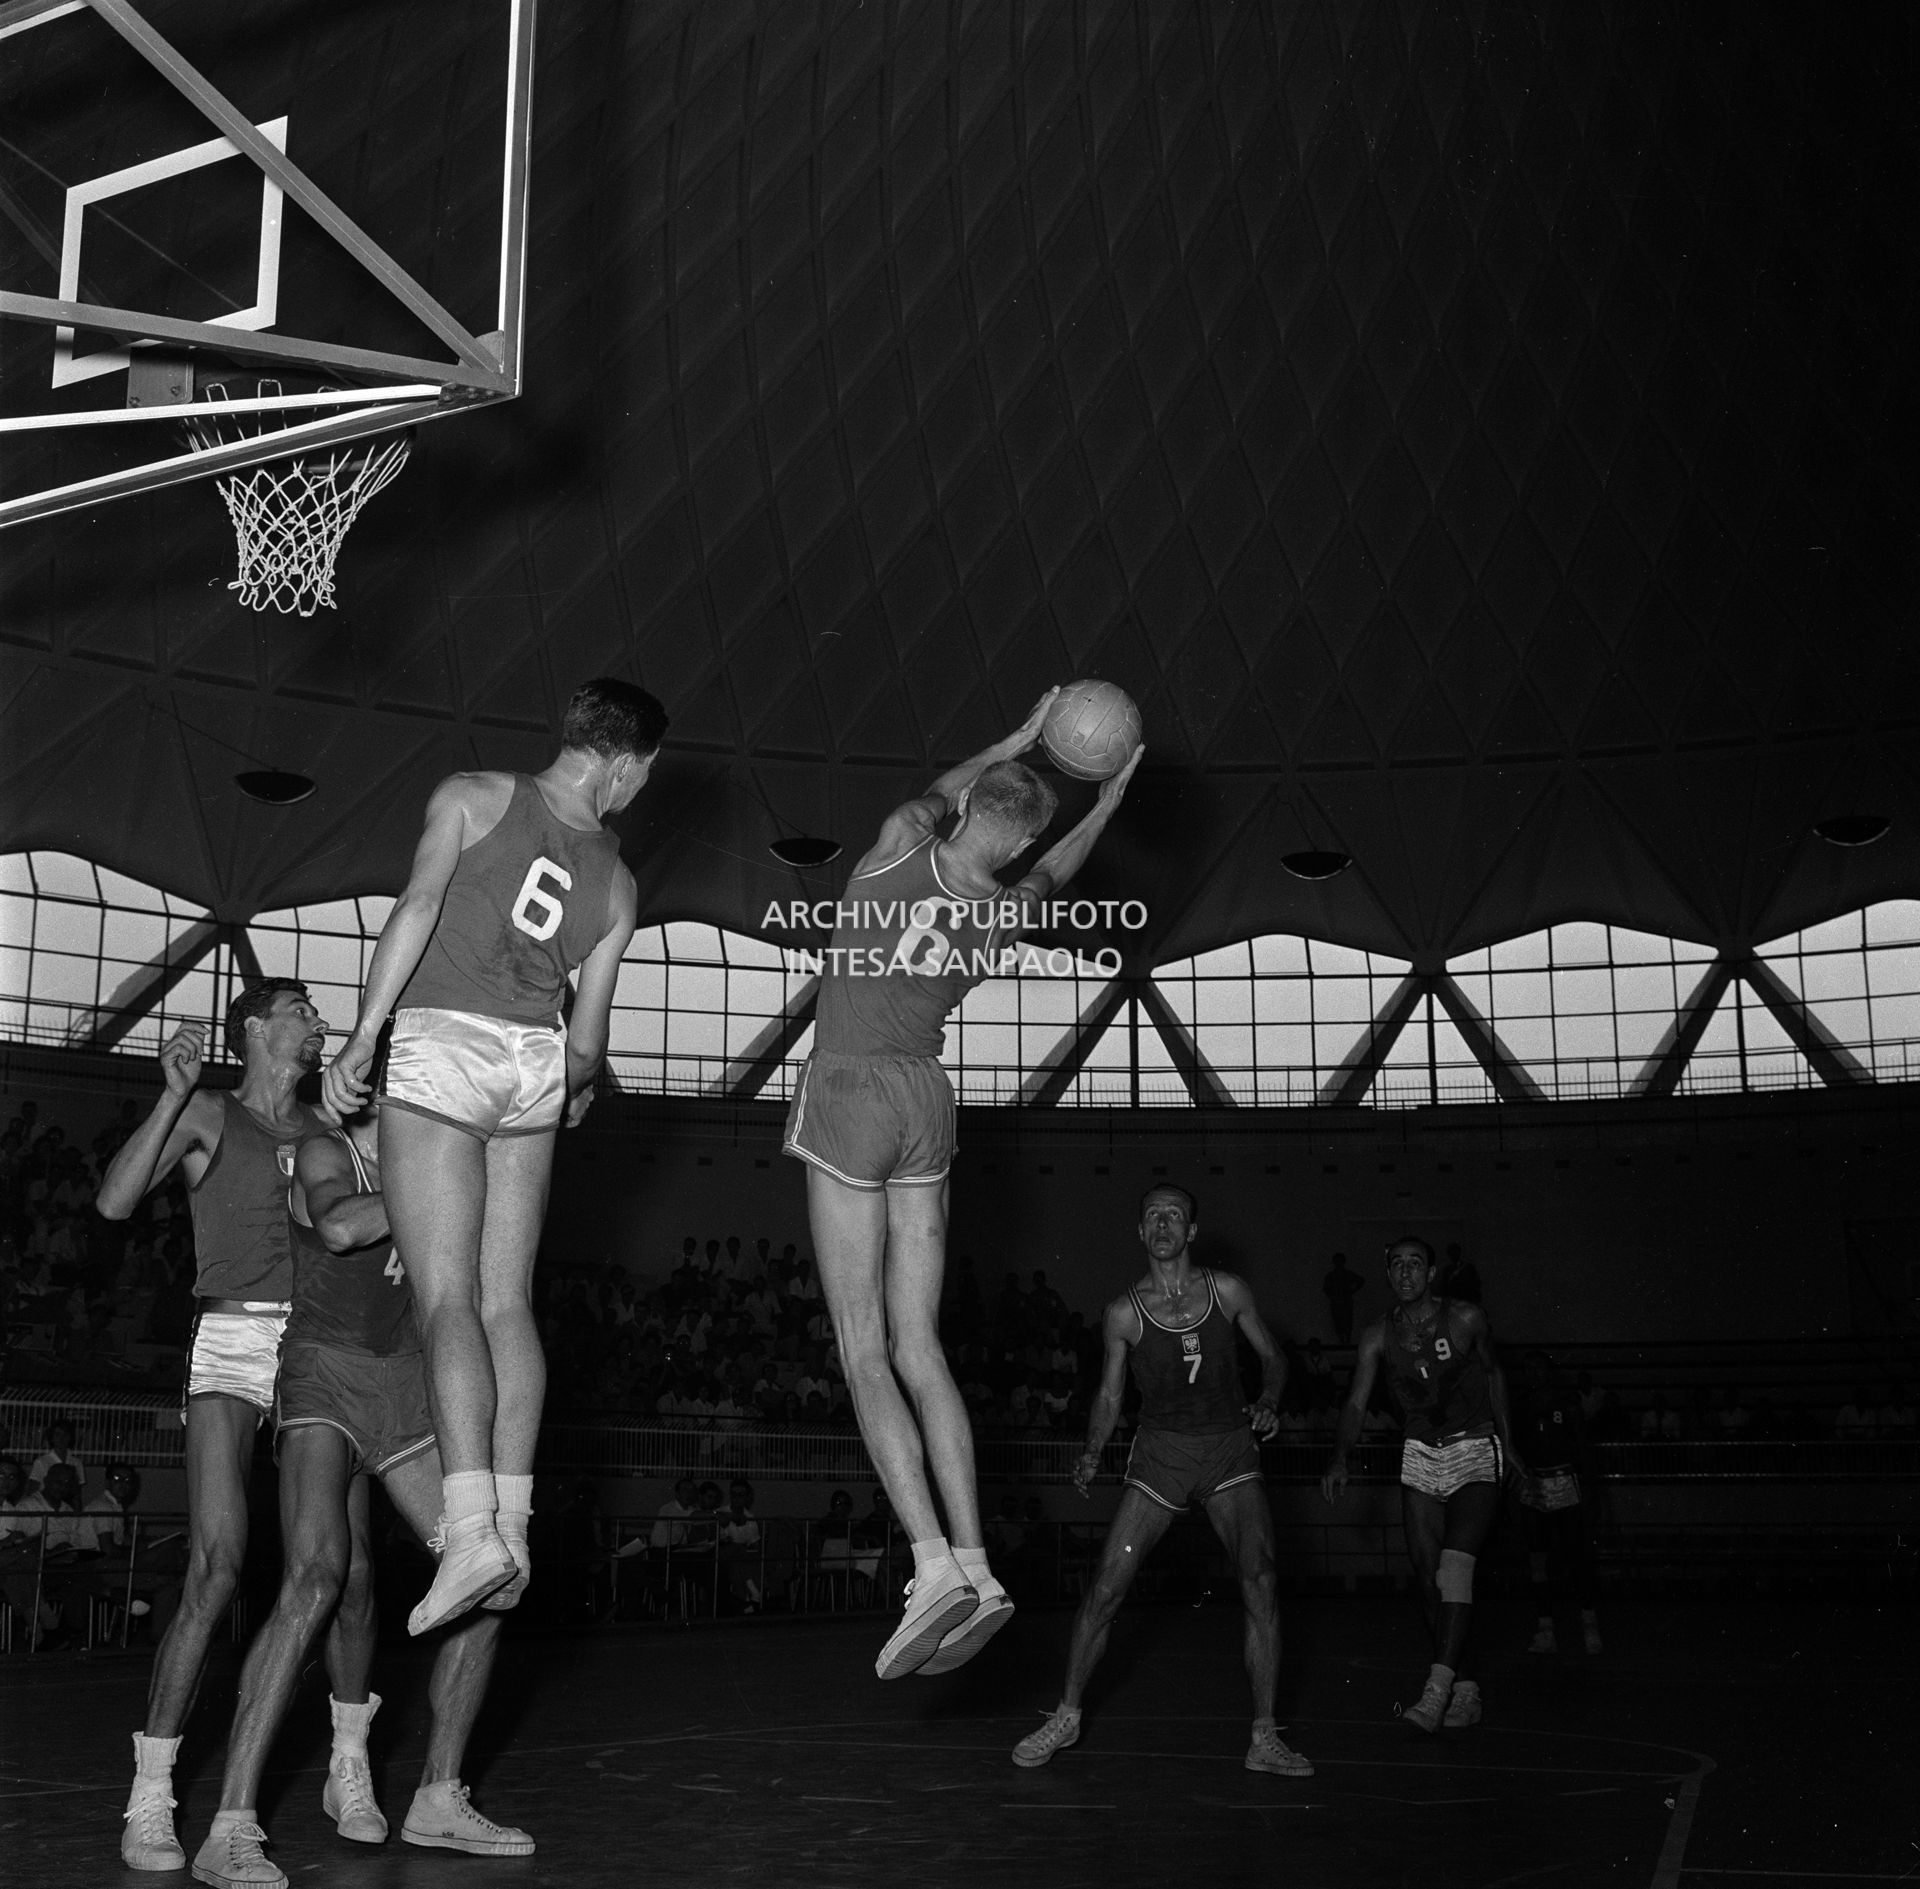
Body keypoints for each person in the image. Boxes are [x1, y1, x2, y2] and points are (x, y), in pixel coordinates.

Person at [783, 688, 1143, 1679]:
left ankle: (931, 1563)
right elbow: (1055, 869)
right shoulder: (1008, 910)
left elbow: (932, 799)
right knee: (919, 1345)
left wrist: (1019, 738)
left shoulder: (903, 844)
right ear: (1024, 830)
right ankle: (978, 1563)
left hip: (853, 1086)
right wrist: (1105, 800)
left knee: (861, 1348)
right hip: (929, 1106)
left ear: (974, 803)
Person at [323, 678, 665, 1636]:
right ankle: (511, 1523)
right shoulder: (622, 884)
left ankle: (469, 1527)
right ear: (629, 762)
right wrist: (574, 1085)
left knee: (448, 1301)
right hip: (534, 1063)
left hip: (445, 1045)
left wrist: (361, 1041)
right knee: (509, 1298)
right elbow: (588, 1044)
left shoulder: (471, 793)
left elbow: (416, 909)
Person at [191, 1107, 531, 1889]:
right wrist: (438, 1188)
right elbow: (340, 1226)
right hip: (325, 1377)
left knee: (497, 1573)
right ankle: (231, 1823)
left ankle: (440, 1792)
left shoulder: (450, 1157)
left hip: (408, 1388)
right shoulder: (327, 1147)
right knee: (316, 1578)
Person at [96, 981, 336, 1872]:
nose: (318, 1022)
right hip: (233, 1339)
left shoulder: (326, 1131)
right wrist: (168, 1093)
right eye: (302, 1009)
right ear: (256, 1026)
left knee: (333, 1568)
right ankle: (150, 1796)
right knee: (217, 1564)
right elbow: (116, 1202)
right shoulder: (207, 1112)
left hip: (317, 1346)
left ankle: (349, 1761)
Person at [1013, 1186, 1312, 1781]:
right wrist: (1094, 1448)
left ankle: (1263, 1736)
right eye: (1152, 1214)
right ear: (1140, 1232)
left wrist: (1271, 1399)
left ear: (1192, 1231)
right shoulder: (1124, 1312)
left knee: (1260, 1580)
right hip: (1161, 1457)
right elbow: (1109, 1393)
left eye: (1174, 1214)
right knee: (1106, 1585)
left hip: (1229, 1451)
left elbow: (1275, 1359)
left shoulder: (1227, 1291)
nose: (1163, 1222)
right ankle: (1067, 1715)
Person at [1320, 1237, 1522, 1734]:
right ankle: (1466, 1690)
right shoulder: (1376, 1336)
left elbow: (1496, 1376)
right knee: (1431, 1581)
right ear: (1388, 1275)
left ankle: (1434, 1693)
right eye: (1397, 1265)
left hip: (1474, 1446)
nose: (1406, 1273)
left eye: (1416, 1264)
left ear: (1431, 1273)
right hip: (1420, 1451)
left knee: (1456, 1570)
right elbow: (1355, 1403)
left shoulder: (1466, 1317)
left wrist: (1509, 1445)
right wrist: (1340, 1456)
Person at [1513, 1350, 1602, 1658]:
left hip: (1564, 1481)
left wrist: (1589, 1489)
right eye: (1529, 1368)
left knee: (1576, 1555)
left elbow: (1581, 1445)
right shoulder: (1521, 1406)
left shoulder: (1567, 1404)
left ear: (1549, 1372)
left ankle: (1589, 1625)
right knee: (1537, 1559)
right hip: (1533, 1483)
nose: (1534, 1374)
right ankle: (1546, 1628)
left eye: (1539, 1368)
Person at [1321, 1251, 1363, 1346]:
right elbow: (1326, 1289)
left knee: (1347, 1321)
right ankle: (1342, 1340)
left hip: (1344, 1301)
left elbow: (1360, 1280)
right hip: (1337, 1301)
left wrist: (1351, 1291)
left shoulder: (1346, 1274)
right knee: (1338, 1321)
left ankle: (1347, 1340)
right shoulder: (1331, 1276)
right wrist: (1332, 1295)